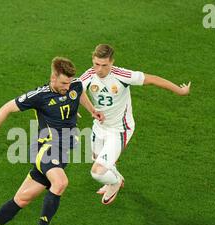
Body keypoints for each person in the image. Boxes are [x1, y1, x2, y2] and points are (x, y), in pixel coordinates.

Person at [0, 57, 104, 225]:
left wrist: (92, 110)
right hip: (46, 149)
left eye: (69, 82)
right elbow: (7, 108)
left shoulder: (74, 85)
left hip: (63, 152)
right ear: (53, 77)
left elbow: (79, 93)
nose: (68, 86)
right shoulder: (40, 95)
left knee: (21, 199)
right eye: (63, 83)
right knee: (60, 183)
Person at [80, 44, 191, 205]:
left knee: (97, 172)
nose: (99, 69)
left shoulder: (122, 75)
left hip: (120, 129)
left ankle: (115, 182)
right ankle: (112, 176)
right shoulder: (89, 75)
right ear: (93, 60)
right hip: (100, 127)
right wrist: (90, 109)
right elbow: (75, 91)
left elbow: (153, 79)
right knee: (97, 159)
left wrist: (180, 91)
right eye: (96, 64)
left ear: (112, 62)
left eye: (104, 65)